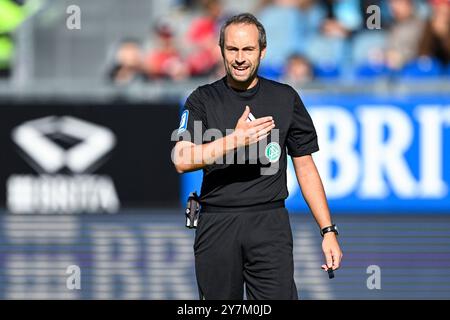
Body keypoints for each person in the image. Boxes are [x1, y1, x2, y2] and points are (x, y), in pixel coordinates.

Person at [172, 13, 342, 300]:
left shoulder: (285, 99)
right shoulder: (201, 99)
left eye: (248, 49)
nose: (240, 58)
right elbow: (181, 159)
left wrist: (327, 230)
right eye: (233, 49)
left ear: (262, 51)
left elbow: (306, 168)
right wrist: (235, 140)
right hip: (217, 223)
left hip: (269, 224)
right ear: (222, 50)